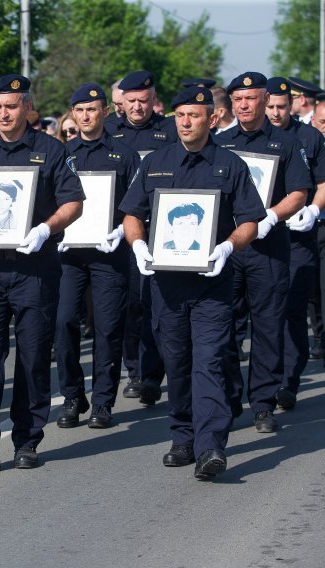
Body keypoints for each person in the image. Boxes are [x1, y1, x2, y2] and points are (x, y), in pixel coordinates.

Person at [121, 85, 266, 480]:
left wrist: (227, 248)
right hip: (166, 286)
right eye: (181, 115)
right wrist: (137, 245)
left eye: (195, 116)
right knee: (177, 362)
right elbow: (132, 212)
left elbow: (250, 220)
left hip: (211, 285)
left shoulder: (230, 165)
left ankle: (210, 447)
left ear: (212, 119)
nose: (186, 122)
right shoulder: (157, 162)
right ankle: (183, 436)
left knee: (210, 362)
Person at [0, 74, 84, 475]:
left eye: (11, 106)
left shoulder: (51, 150)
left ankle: (27, 440)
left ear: (27, 107)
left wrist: (46, 228)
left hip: (34, 269)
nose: (3, 114)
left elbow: (73, 202)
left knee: (32, 357)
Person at [215, 72, 312, 433]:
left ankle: (263, 403)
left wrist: (271, 216)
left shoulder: (285, 144)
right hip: (228, 247)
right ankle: (228, 395)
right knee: (223, 326)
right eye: (238, 99)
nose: (244, 105)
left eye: (251, 98)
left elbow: (299, 192)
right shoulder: (219, 143)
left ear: (263, 100)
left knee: (268, 326)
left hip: (268, 249)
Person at [55, 83, 139, 430]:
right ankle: (73, 395)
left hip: (109, 253)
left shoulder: (125, 154)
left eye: (92, 109)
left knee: (107, 328)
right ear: (72, 113)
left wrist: (120, 230)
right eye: (80, 110)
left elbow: (137, 203)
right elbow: (51, 198)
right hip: (69, 254)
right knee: (63, 323)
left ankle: (103, 402)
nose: (86, 116)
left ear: (105, 112)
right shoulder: (64, 154)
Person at [105, 70, 178, 404]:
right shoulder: (109, 132)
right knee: (127, 306)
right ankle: (133, 368)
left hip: (159, 229)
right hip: (114, 232)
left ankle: (149, 374)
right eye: (131, 101)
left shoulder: (169, 131)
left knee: (152, 303)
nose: (137, 107)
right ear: (122, 102)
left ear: (153, 101)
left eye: (143, 101)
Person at [265, 77, 325, 410]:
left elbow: (322, 182)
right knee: (265, 311)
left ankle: (288, 380)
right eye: (270, 107)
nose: (275, 113)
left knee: (292, 308)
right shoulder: (256, 136)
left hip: (300, 236)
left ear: (293, 105)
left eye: (281, 107)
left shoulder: (309, 137)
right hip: (262, 236)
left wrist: (315, 210)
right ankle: (265, 379)